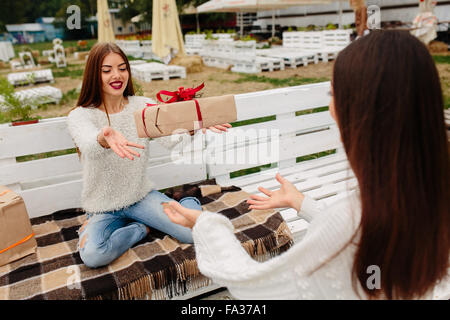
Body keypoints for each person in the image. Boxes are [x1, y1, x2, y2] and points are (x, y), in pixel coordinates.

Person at [163, 30, 450, 300]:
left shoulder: (350, 221)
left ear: (359, 112)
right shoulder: (428, 194)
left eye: (334, 95)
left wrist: (207, 224)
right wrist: (302, 202)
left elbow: (256, 286)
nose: (330, 108)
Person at [67, 42, 231, 268]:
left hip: (140, 197)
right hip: (102, 207)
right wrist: (104, 138)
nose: (117, 75)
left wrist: (192, 128)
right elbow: (87, 143)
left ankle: (187, 202)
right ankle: (140, 228)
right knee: (94, 255)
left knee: (193, 233)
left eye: (122, 68)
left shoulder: (142, 106)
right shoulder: (80, 116)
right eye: (107, 70)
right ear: (94, 74)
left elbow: (171, 141)